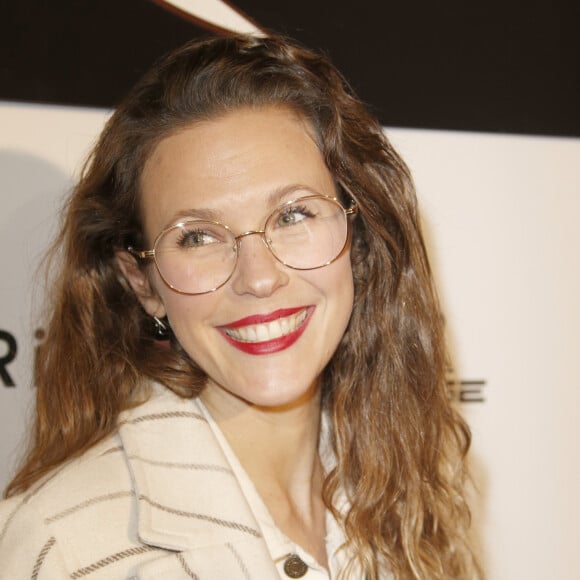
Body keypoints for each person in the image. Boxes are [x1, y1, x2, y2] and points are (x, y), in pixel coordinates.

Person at [0, 34, 481, 579]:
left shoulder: (416, 490)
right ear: (142, 281)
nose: (258, 278)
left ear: (359, 233)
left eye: (294, 215)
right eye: (198, 237)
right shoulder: (64, 547)